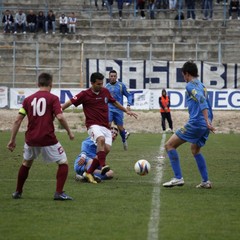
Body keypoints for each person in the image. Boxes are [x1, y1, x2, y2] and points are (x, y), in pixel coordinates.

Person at [7, 73, 74, 200]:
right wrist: (69, 132)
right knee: (63, 162)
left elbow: (17, 120)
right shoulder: (53, 98)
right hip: (48, 138)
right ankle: (59, 193)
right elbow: (60, 116)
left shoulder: (28, 100)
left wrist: (12, 140)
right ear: (51, 84)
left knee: (26, 163)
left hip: (31, 139)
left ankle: (18, 191)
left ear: (38, 84)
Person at [61, 72, 138, 184]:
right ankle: (102, 165)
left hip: (105, 126)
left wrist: (127, 111)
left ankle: (88, 172)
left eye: (102, 83)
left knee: (106, 149)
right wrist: (60, 109)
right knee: (100, 139)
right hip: (93, 125)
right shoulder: (84, 94)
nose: (101, 86)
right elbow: (70, 101)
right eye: (98, 84)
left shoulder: (105, 91)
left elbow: (115, 103)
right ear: (92, 83)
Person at [162, 61, 215, 189]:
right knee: (195, 149)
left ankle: (178, 178)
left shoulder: (190, 86)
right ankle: (205, 181)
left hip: (197, 123)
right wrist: (208, 122)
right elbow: (207, 102)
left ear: (186, 74)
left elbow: (202, 100)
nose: (183, 78)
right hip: (204, 124)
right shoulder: (202, 85)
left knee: (169, 145)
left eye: (183, 75)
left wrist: (206, 121)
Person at [105, 70, 132, 150]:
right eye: (111, 76)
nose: (113, 78)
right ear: (109, 77)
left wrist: (128, 105)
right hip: (109, 109)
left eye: (114, 76)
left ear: (116, 77)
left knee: (120, 128)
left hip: (119, 110)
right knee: (108, 125)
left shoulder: (121, 86)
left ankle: (124, 140)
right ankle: (106, 143)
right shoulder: (106, 87)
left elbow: (129, 95)